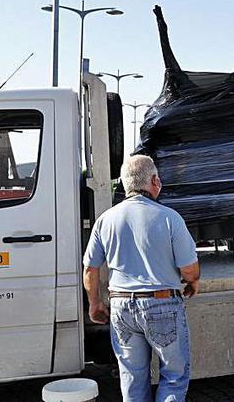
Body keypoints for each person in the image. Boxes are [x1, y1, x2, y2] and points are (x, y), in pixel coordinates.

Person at [83, 155, 200, 401]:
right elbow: (189, 268)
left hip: (120, 307)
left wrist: (95, 303)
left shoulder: (106, 219)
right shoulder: (169, 218)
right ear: (155, 181)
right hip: (162, 305)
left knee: (132, 378)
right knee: (174, 378)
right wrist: (192, 282)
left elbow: (90, 270)